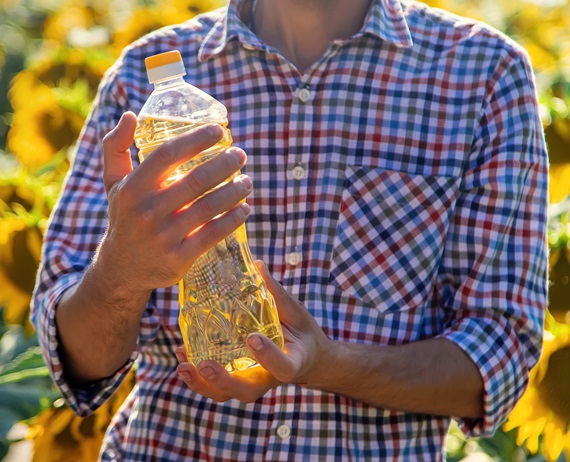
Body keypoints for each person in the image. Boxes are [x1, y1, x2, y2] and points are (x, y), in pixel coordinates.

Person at [31, 0, 549, 460]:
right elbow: (79, 360)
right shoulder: (142, 79)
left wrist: (328, 364)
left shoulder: (483, 73)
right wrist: (120, 272)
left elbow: (498, 355)